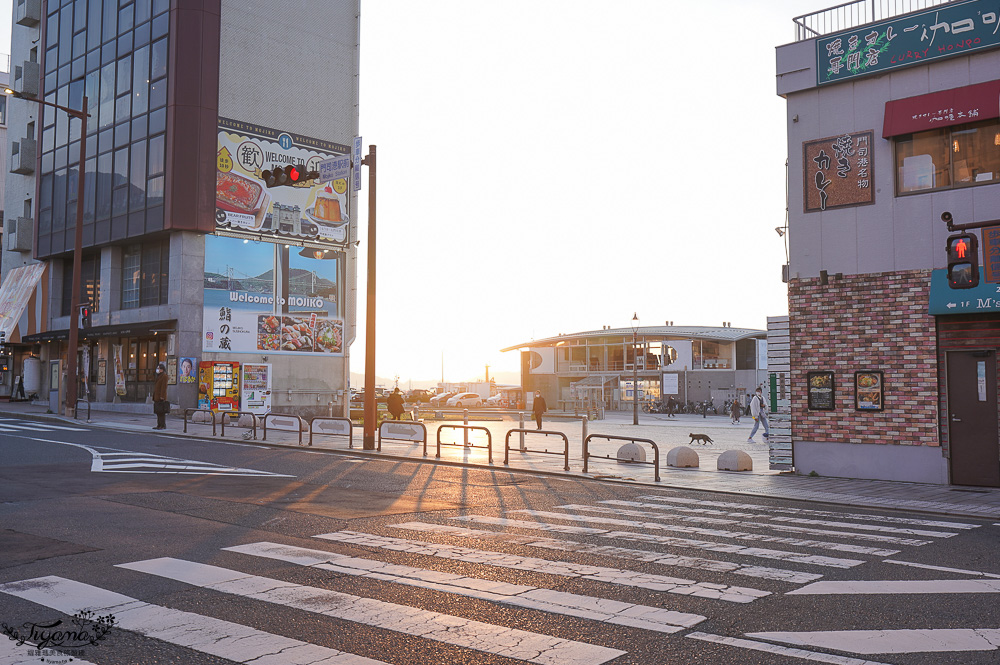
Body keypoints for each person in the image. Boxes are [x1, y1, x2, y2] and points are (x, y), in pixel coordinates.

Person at [152, 362, 168, 430]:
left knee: (161, 412)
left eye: (158, 368)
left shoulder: (164, 376)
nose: (157, 370)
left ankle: (162, 425)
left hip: (160, 397)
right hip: (156, 396)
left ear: (162, 369)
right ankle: (159, 424)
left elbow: (163, 387)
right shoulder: (158, 376)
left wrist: (162, 396)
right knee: (158, 412)